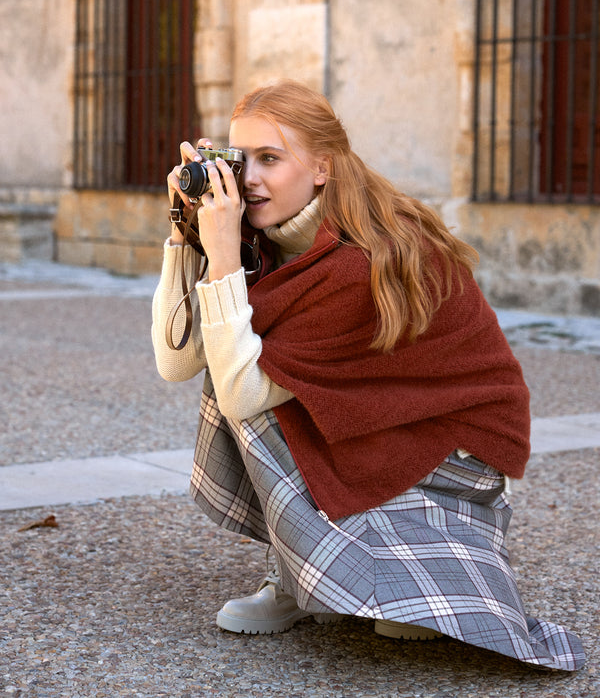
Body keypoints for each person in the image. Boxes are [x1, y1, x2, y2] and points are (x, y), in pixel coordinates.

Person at [151, 79, 585, 671]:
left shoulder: (361, 258)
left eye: (270, 159)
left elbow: (241, 392)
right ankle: (302, 573)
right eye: (239, 157)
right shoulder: (273, 238)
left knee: (250, 386)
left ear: (323, 168)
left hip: (457, 452)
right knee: (239, 361)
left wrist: (223, 256)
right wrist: (185, 236)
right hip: (388, 422)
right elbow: (177, 362)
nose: (247, 179)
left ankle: (396, 568)